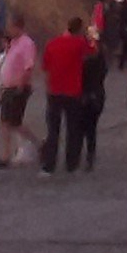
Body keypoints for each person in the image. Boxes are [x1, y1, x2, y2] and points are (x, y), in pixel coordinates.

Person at [39, 17, 90, 176]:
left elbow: (45, 66)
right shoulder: (80, 43)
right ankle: (71, 164)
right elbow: (92, 53)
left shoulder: (52, 43)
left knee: (53, 130)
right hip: (73, 91)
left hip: (54, 90)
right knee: (73, 129)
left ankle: (49, 165)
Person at [0, 11, 39, 166]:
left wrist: (21, 84)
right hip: (8, 86)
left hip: (18, 87)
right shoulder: (14, 43)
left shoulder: (27, 43)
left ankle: (39, 144)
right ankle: (5, 154)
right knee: (5, 121)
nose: (7, 30)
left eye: (10, 27)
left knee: (15, 122)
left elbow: (28, 66)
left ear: (17, 26)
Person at [78, 27, 108, 171]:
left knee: (85, 127)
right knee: (89, 128)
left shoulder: (90, 59)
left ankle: (85, 155)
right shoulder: (101, 58)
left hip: (88, 94)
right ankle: (89, 155)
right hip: (96, 94)